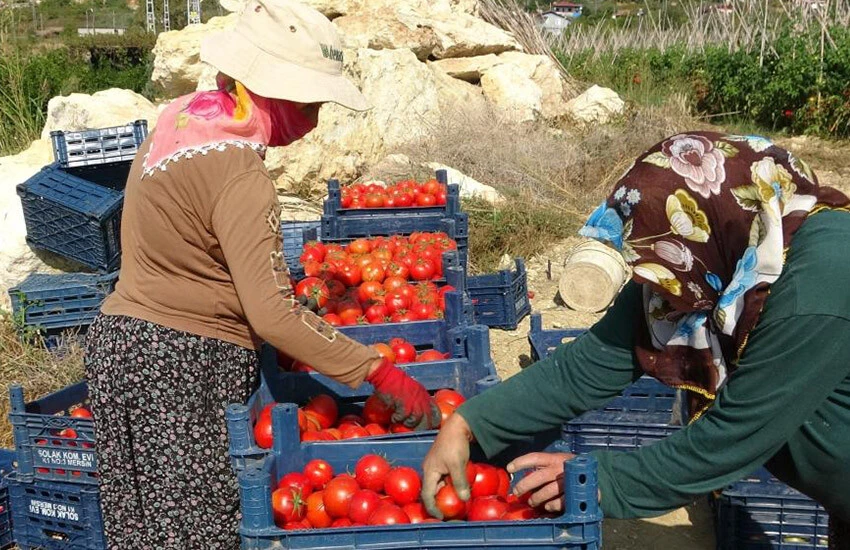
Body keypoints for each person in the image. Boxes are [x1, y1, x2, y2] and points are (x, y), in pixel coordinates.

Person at [84, 1, 439, 548]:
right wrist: (378, 371)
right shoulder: (242, 176)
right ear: (272, 90)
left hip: (120, 346)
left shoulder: (179, 120)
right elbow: (272, 312)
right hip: (182, 364)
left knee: (141, 532)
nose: (314, 119)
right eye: (308, 102)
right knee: (200, 533)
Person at [422, 132, 850, 548]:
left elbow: (732, 438)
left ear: (710, 222)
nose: (653, 285)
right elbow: (591, 362)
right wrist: (468, 422)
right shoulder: (708, 256)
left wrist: (603, 478)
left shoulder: (818, 287)